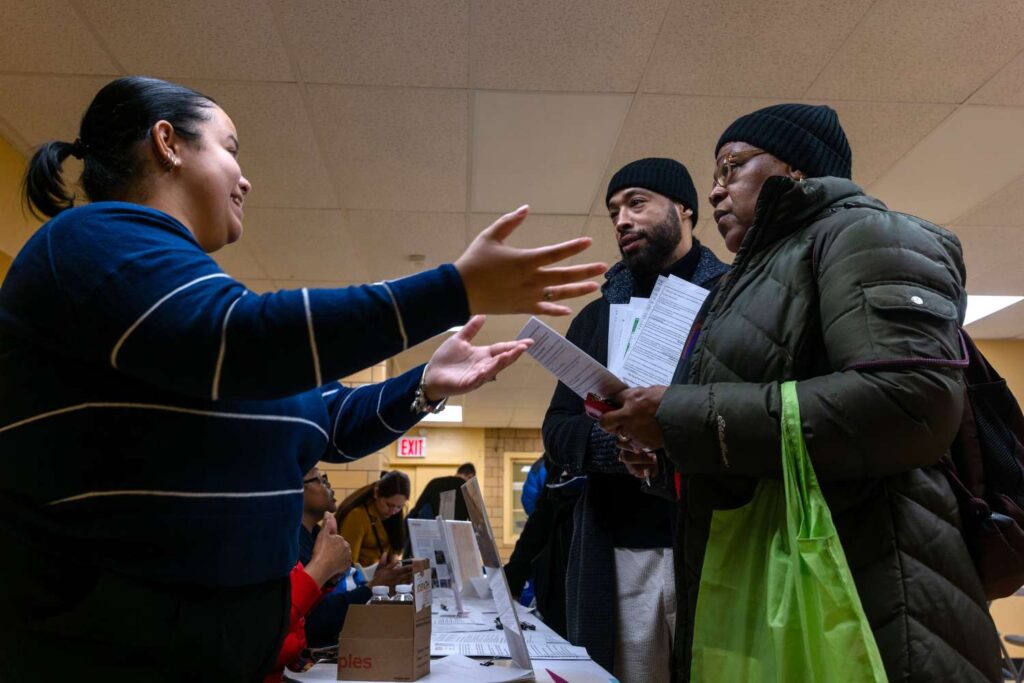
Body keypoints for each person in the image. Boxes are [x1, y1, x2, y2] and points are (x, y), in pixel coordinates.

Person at [0, 76, 607, 682]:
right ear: (167, 142)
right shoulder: (89, 238)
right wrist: (454, 289)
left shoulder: (182, 307)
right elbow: (241, 338)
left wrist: (427, 385)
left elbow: (325, 420)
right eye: (230, 148)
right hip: (98, 653)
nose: (245, 177)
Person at [603, 104, 1003, 682]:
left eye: (732, 167)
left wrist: (680, 418)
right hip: (772, 590)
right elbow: (750, 444)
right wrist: (665, 454)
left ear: (797, 171)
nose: (716, 192)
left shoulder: (868, 234)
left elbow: (909, 404)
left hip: (873, 597)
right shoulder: (742, 285)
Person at [541, 158, 729, 681]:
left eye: (637, 203)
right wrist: (621, 441)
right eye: (614, 211)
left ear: (684, 209)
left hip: (715, 541)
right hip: (618, 547)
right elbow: (557, 430)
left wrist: (669, 434)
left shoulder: (734, 301)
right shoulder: (596, 318)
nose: (622, 219)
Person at [298, 467, 410, 649]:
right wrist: (371, 587)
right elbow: (313, 616)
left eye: (399, 507)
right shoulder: (295, 545)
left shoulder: (315, 535)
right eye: (319, 479)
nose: (328, 483)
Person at [267, 507, 352, 682]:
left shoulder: (282, 539)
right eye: (318, 480)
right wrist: (322, 567)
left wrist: (327, 579)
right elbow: (264, 629)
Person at [336, 471, 411, 568]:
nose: (393, 511)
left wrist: (394, 559)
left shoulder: (394, 517)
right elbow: (347, 562)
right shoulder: (357, 516)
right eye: (389, 505)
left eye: (399, 507)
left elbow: (395, 548)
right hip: (359, 579)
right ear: (376, 493)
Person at [406, 462, 475, 522]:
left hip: (432, 531)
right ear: (470, 476)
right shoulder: (466, 489)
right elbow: (474, 519)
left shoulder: (435, 482)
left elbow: (418, 508)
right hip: (456, 532)